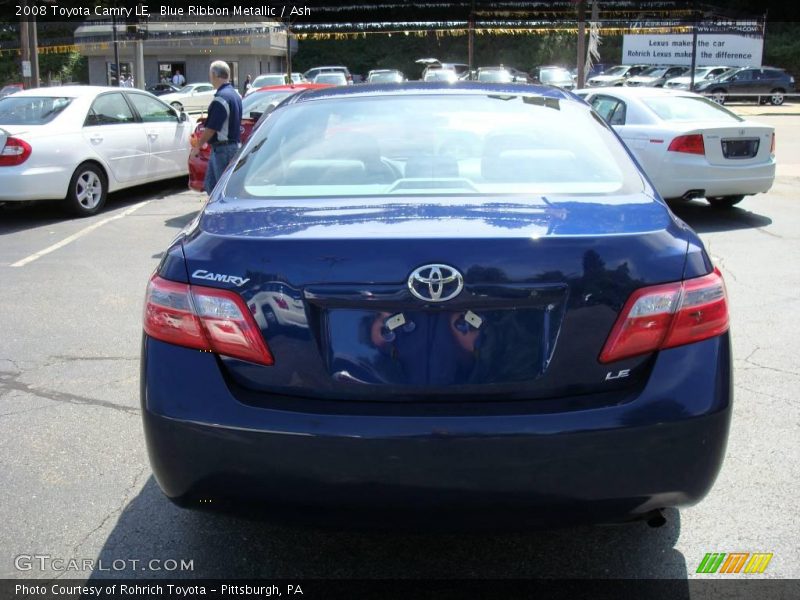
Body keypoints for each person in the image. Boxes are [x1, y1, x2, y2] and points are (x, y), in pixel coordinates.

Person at [190, 60, 242, 195]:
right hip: (230, 146)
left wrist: (198, 146)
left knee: (220, 190)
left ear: (214, 75)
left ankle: (224, 214)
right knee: (212, 186)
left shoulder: (221, 98)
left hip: (223, 149)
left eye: (210, 74)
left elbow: (212, 127)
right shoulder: (235, 95)